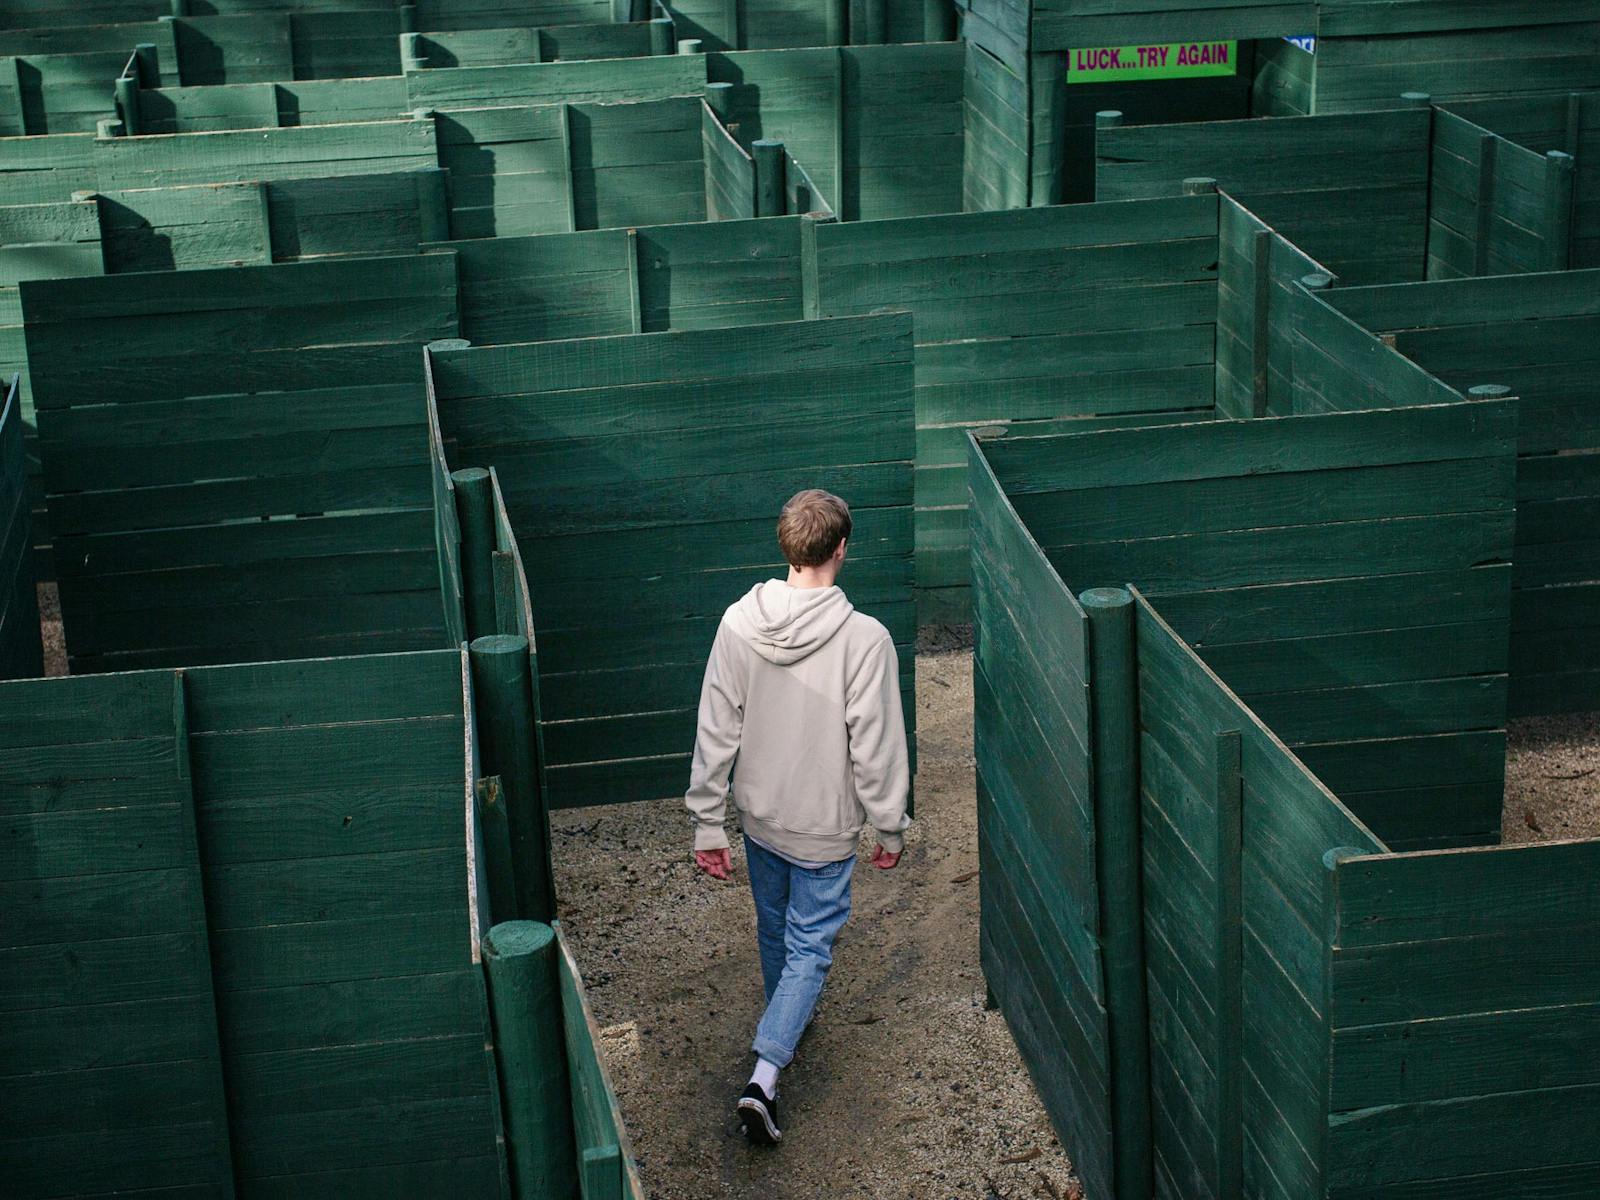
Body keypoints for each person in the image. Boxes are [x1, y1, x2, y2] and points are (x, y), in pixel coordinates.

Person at [684, 488, 911, 1145]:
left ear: (786, 547)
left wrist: (707, 820)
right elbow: (876, 744)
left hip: (760, 818)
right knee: (811, 943)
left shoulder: (736, 622)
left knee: (777, 927)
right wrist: (887, 823)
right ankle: (765, 1075)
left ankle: (786, 1018)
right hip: (822, 827)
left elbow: (715, 723)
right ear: (841, 549)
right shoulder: (865, 640)